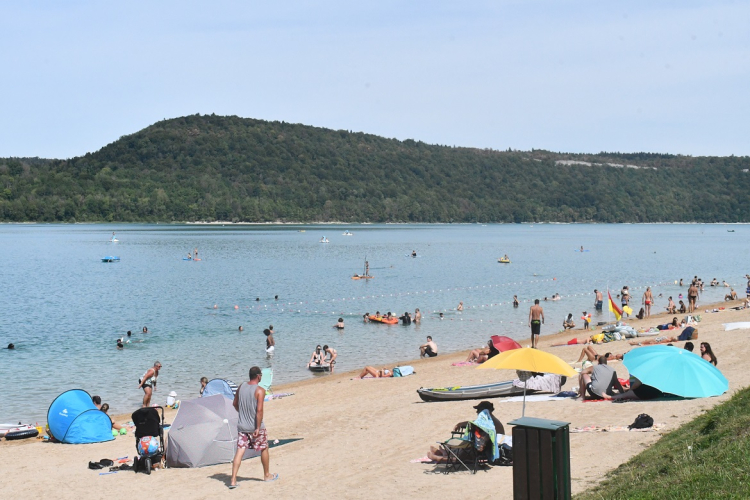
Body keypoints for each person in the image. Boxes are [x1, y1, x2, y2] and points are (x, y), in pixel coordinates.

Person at [230, 367, 277, 487]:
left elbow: (235, 404)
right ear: (258, 376)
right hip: (256, 426)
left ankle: (233, 480)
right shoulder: (260, 390)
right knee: (264, 448)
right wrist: (257, 428)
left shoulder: (241, 387)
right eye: (261, 375)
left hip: (242, 426)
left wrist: (242, 413)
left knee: (240, 451)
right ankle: (267, 475)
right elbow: (259, 411)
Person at [425, 401, 505, 463]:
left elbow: (477, 426)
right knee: (466, 446)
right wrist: (461, 424)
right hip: (486, 447)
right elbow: (475, 424)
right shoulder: (489, 421)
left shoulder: (488, 423)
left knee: (465, 451)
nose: (476, 412)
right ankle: (444, 452)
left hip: (487, 450)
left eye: (478, 410)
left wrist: (461, 424)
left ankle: (440, 457)